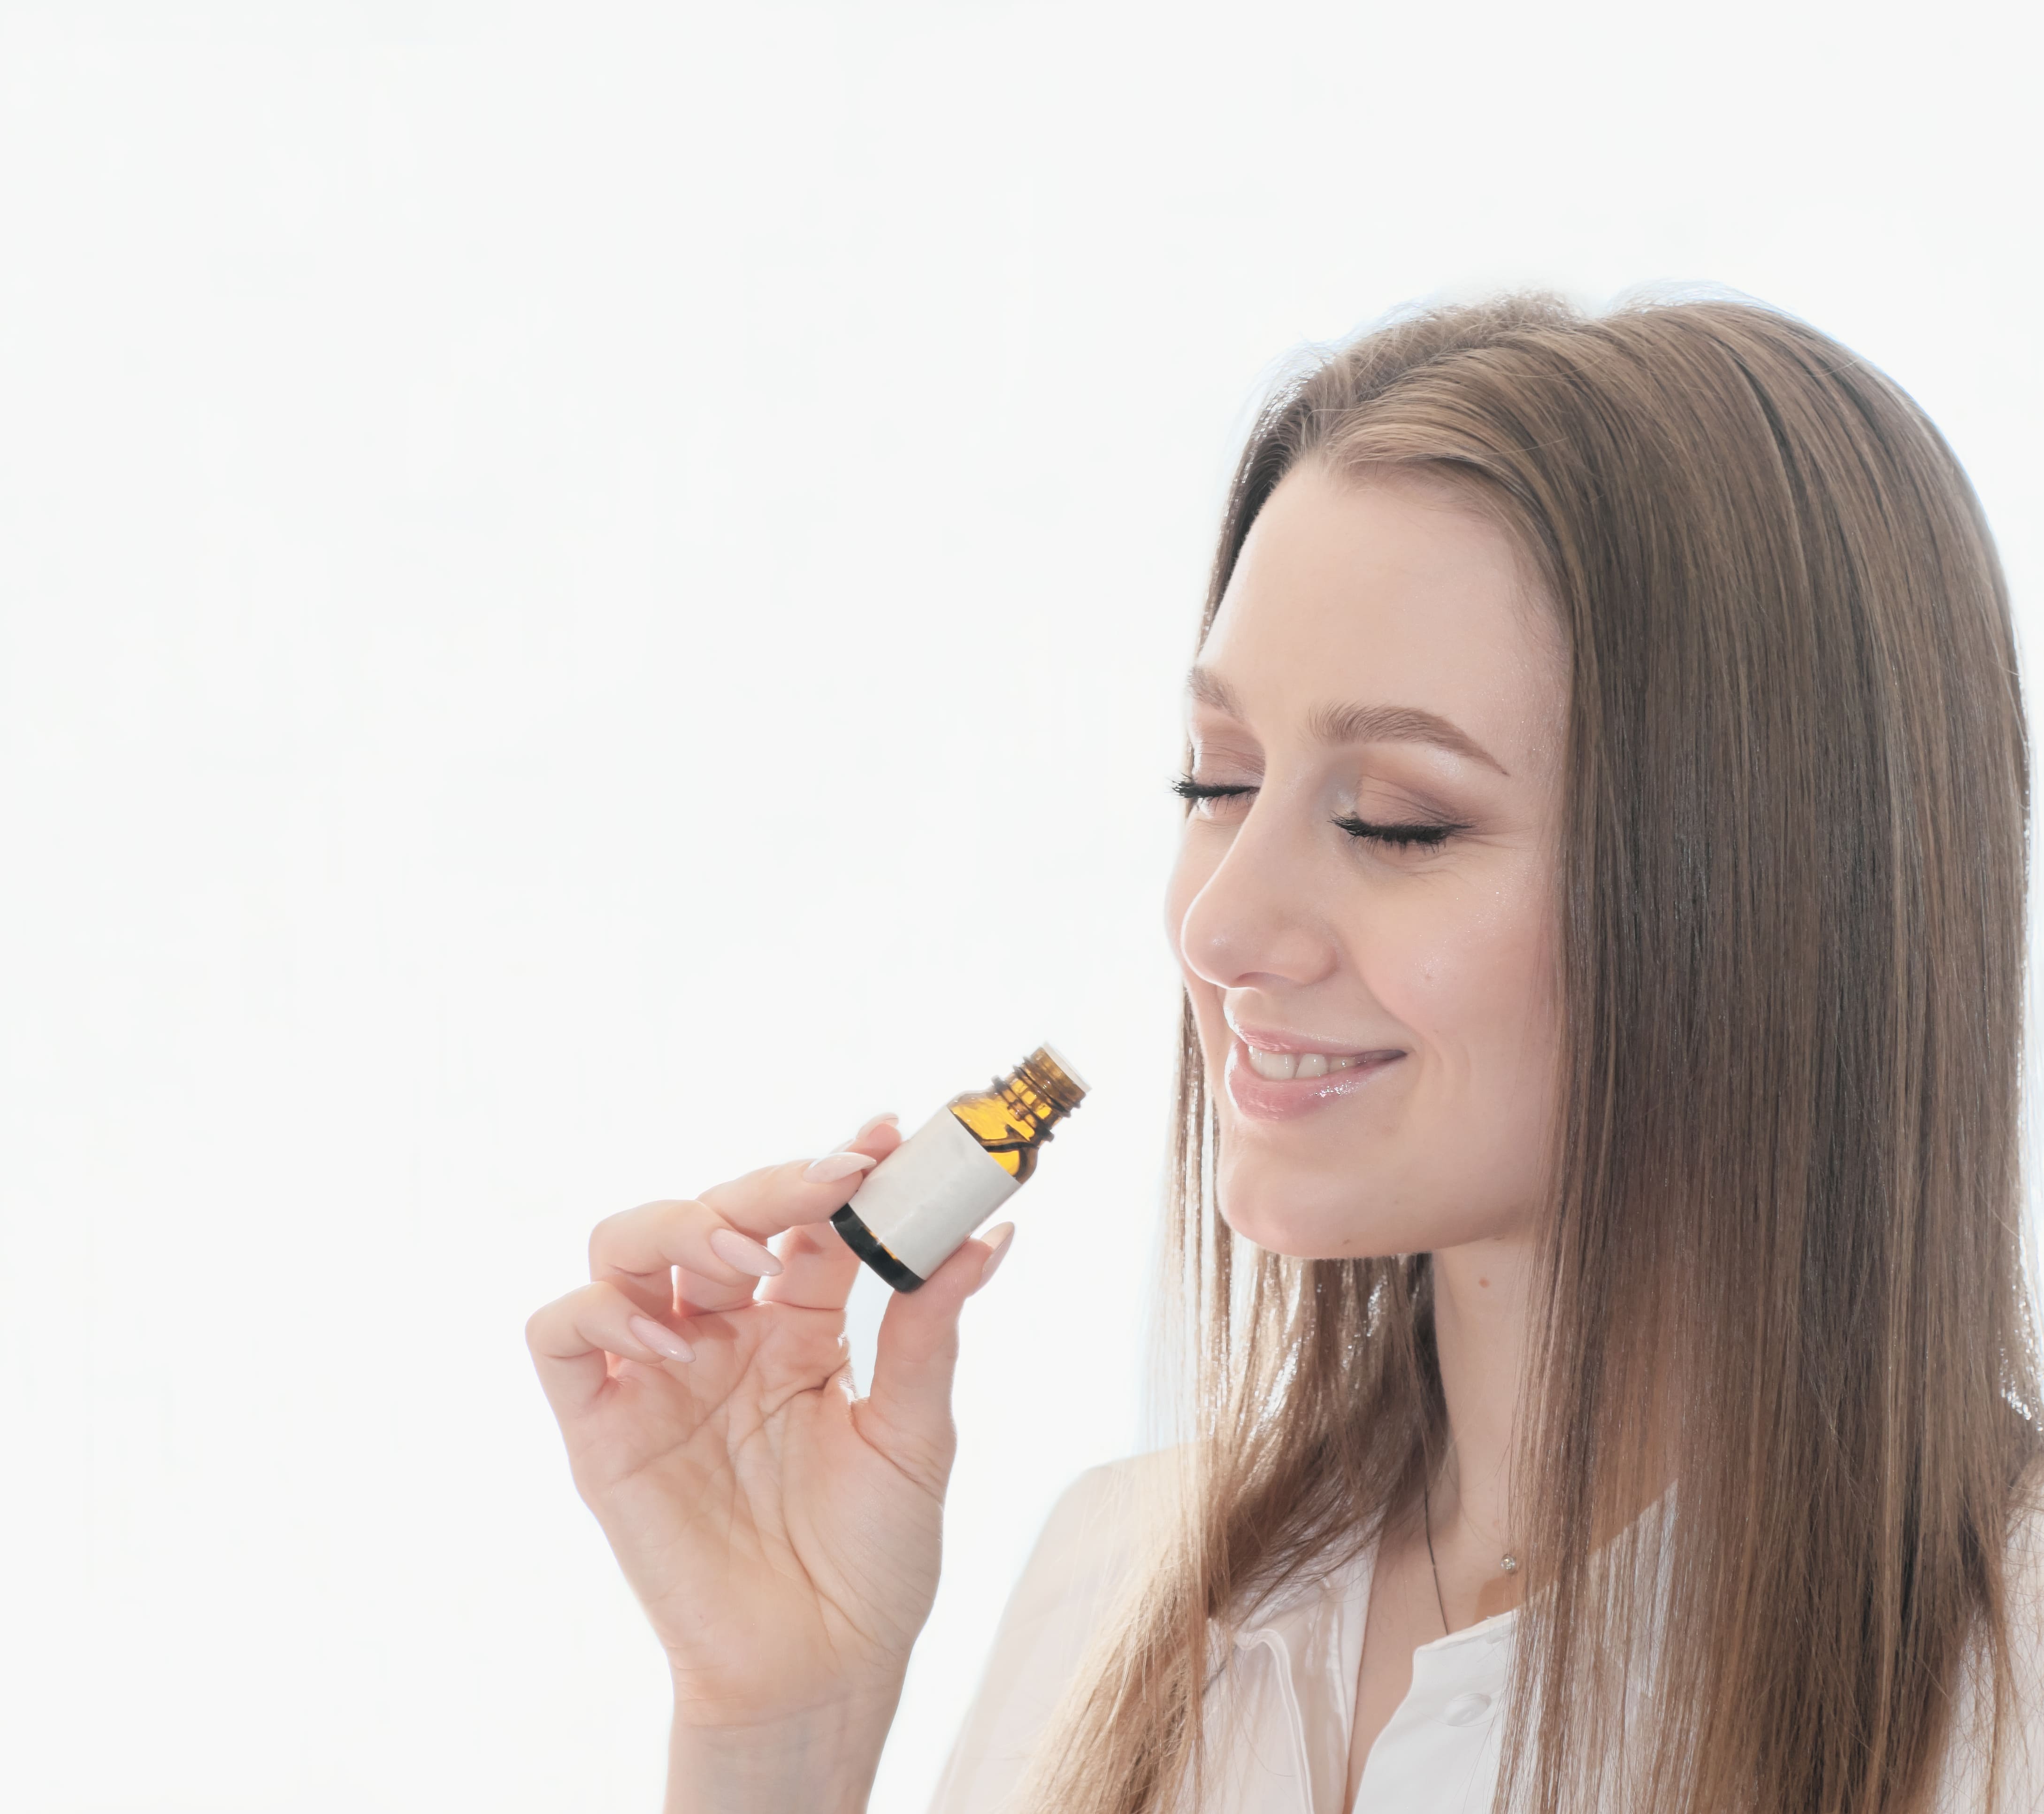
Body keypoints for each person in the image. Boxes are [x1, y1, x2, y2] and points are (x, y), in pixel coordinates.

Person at [525, 293, 2044, 1814]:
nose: (1220, 925)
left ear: (1782, 891)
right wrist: (773, 1728)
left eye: (1397, 821)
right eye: (1218, 783)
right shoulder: (1114, 1587)